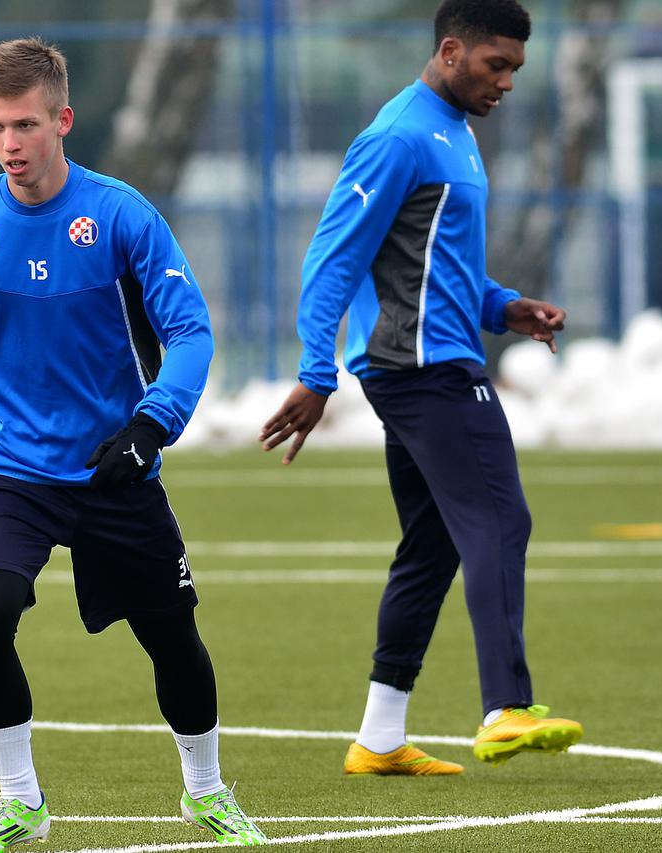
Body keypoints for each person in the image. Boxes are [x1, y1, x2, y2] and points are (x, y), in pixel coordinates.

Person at [0, 37, 266, 851]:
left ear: (62, 120)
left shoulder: (119, 216)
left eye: (26, 124)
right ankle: (21, 799)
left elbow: (189, 332)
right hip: (11, 468)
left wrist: (152, 424)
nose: (10, 143)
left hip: (115, 466)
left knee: (172, 636)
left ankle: (207, 792)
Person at [260, 0, 582, 776]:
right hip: (424, 370)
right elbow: (333, 258)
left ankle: (378, 735)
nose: (505, 82)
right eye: (494, 64)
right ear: (449, 51)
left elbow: (438, 268)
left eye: (514, 70)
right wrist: (314, 373)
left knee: (433, 545)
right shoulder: (399, 136)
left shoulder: (458, 135)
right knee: (502, 520)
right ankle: (505, 705)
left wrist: (504, 306)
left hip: (427, 358)